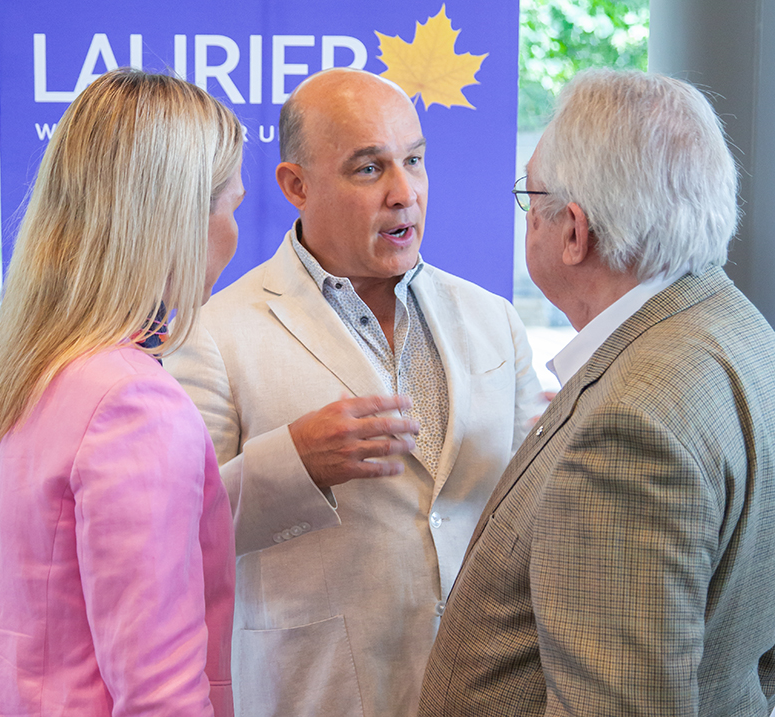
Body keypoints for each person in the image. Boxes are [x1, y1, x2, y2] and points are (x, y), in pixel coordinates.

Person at [165, 67, 542, 717]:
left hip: (485, 689)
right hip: (317, 693)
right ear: (296, 185)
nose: (405, 193)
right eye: (369, 169)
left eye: (414, 161)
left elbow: (533, 510)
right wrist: (296, 464)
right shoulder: (213, 333)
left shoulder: (494, 319)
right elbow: (173, 535)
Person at [418, 69, 775, 716]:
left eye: (530, 196)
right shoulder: (742, 331)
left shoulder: (630, 427)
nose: (527, 216)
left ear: (575, 232)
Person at [0, 68, 245, 716]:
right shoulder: (132, 404)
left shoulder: (10, 374)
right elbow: (160, 696)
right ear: (179, 217)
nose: (235, 233)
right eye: (230, 207)